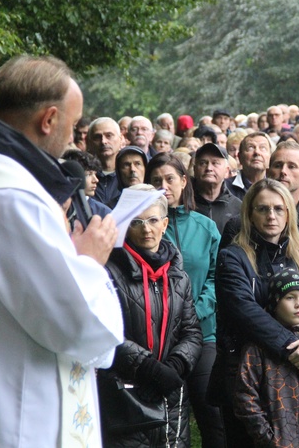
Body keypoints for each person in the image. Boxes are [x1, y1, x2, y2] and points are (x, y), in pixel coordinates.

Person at [0, 54, 123, 446]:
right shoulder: (13, 200)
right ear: (49, 120)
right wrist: (89, 260)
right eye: (74, 126)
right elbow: (75, 323)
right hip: (20, 417)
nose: (75, 137)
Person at [211, 178, 299, 447]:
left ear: (288, 213)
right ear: (250, 214)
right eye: (263, 209)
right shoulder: (233, 257)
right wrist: (295, 348)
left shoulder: (298, 256)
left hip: (294, 377)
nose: (271, 216)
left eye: (279, 209)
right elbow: (245, 312)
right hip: (246, 374)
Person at [100, 185, 202, 446]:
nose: (146, 229)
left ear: (165, 223)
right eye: (137, 222)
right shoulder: (109, 272)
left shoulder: (178, 275)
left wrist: (175, 366)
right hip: (126, 393)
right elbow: (106, 331)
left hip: (171, 391)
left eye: (153, 220)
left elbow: (191, 330)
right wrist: (147, 367)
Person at [146, 153, 225, 447]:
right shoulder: (143, 229)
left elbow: (218, 277)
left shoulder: (205, 227)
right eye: (156, 181)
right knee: (166, 422)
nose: (164, 186)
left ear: (183, 181)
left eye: (169, 179)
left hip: (204, 334)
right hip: (158, 338)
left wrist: (195, 311)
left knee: (213, 419)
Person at [234, 268, 299, 447]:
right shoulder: (258, 348)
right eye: (290, 297)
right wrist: (266, 437)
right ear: (275, 302)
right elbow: (246, 395)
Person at [220, 141, 299, 263]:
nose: (283, 171)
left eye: (292, 166)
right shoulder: (238, 226)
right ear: (268, 173)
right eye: (278, 165)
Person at [192, 142, 242, 234]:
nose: (209, 168)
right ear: (194, 169)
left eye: (215, 163)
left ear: (226, 171)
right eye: (203, 163)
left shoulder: (237, 207)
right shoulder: (184, 202)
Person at [61, 149, 112, 217]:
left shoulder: (103, 212)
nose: (96, 180)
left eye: (95, 174)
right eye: (89, 174)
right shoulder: (52, 206)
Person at [87, 117, 124, 206]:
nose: (103, 141)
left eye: (109, 136)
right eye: (97, 137)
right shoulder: (83, 176)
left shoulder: (128, 175)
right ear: (89, 142)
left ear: (121, 139)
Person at [226, 132, 273, 200]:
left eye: (263, 148)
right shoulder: (225, 188)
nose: (257, 152)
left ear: (270, 157)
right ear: (240, 157)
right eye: (250, 148)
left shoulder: (277, 188)